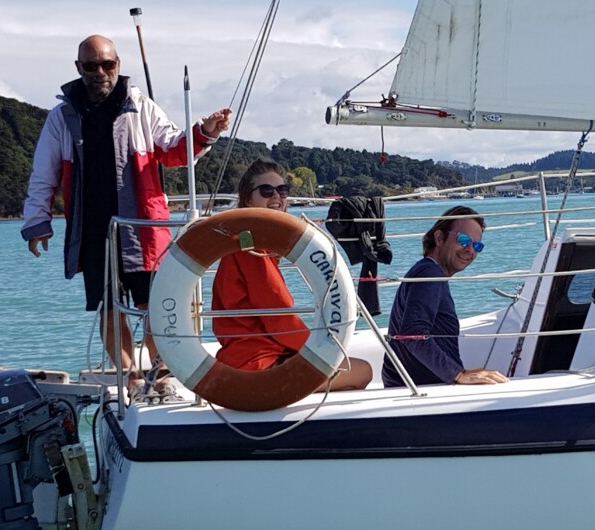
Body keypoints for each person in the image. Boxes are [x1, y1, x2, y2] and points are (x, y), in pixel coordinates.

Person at [20, 35, 231, 393]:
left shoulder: (141, 106)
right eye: (91, 66)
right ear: (79, 68)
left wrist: (204, 132)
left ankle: (160, 370)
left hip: (144, 227)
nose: (100, 72)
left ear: (118, 65)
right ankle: (129, 375)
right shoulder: (61, 117)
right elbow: (45, 172)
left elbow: (175, 149)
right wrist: (37, 221)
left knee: (156, 303)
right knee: (108, 305)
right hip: (91, 227)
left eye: (108, 64)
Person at [211, 159, 372, 391]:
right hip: (259, 365)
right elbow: (278, 315)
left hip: (250, 358)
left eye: (282, 190)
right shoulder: (251, 249)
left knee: (347, 370)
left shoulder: (247, 242)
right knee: (362, 371)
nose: (276, 196)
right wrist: (317, 350)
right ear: (247, 198)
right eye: (266, 190)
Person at [382, 206, 509, 387]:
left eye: (477, 245)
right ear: (440, 238)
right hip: (420, 391)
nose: (470, 250)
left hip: (418, 385)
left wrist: (458, 373)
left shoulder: (429, 272)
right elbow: (412, 334)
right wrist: (457, 375)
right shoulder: (429, 273)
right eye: (464, 240)